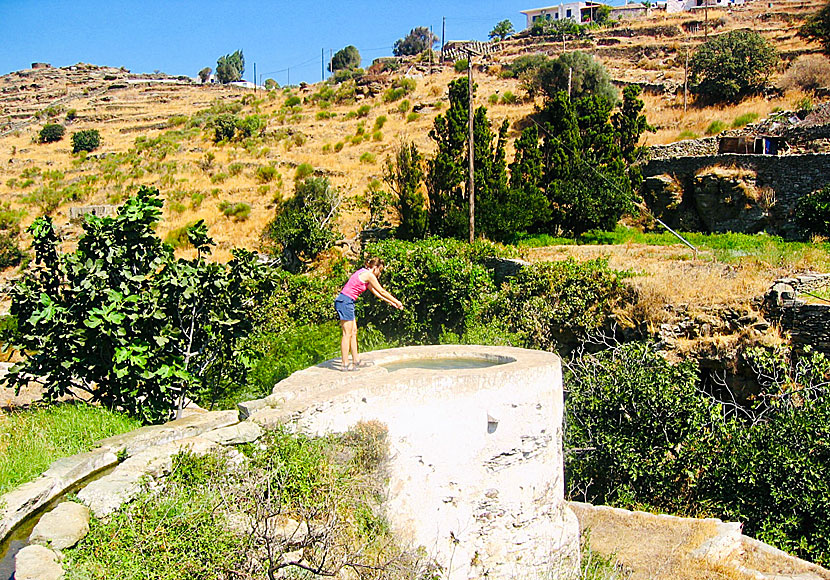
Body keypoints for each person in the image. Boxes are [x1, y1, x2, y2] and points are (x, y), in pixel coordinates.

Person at [334, 258, 402, 371]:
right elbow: (382, 291)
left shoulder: (363, 273)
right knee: (347, 334)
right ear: (375, 268)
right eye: (379, 270)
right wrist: (397, 301)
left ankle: (356, 361)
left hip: (348, 302)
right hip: (344, 301)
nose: (379, 273)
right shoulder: (368, 275)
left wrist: (391, 303)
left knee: (353, 332)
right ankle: (344, 364)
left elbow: (377, 293)